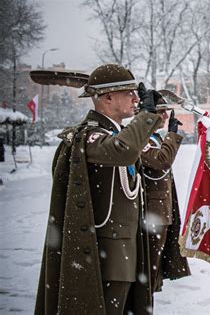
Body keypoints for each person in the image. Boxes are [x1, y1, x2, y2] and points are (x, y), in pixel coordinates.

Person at [35, 63, 164, 314]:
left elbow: (129, 147)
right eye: (129, 93)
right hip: (104, 256)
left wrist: (150, 117)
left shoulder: (115, 134)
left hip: (125, 253)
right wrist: (146, 115)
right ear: (107, 97)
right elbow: (122, 151)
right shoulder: (90, 136)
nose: (135, 98)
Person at [140, 94, 190, 296]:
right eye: (160, 111)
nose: (165, 115)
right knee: (149, 267)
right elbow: (162, 161)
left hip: (162, 211)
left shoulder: (154, 138)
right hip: (152, 213)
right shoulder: (142, 139)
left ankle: (149, 297)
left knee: (156, 266)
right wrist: (172, 135)